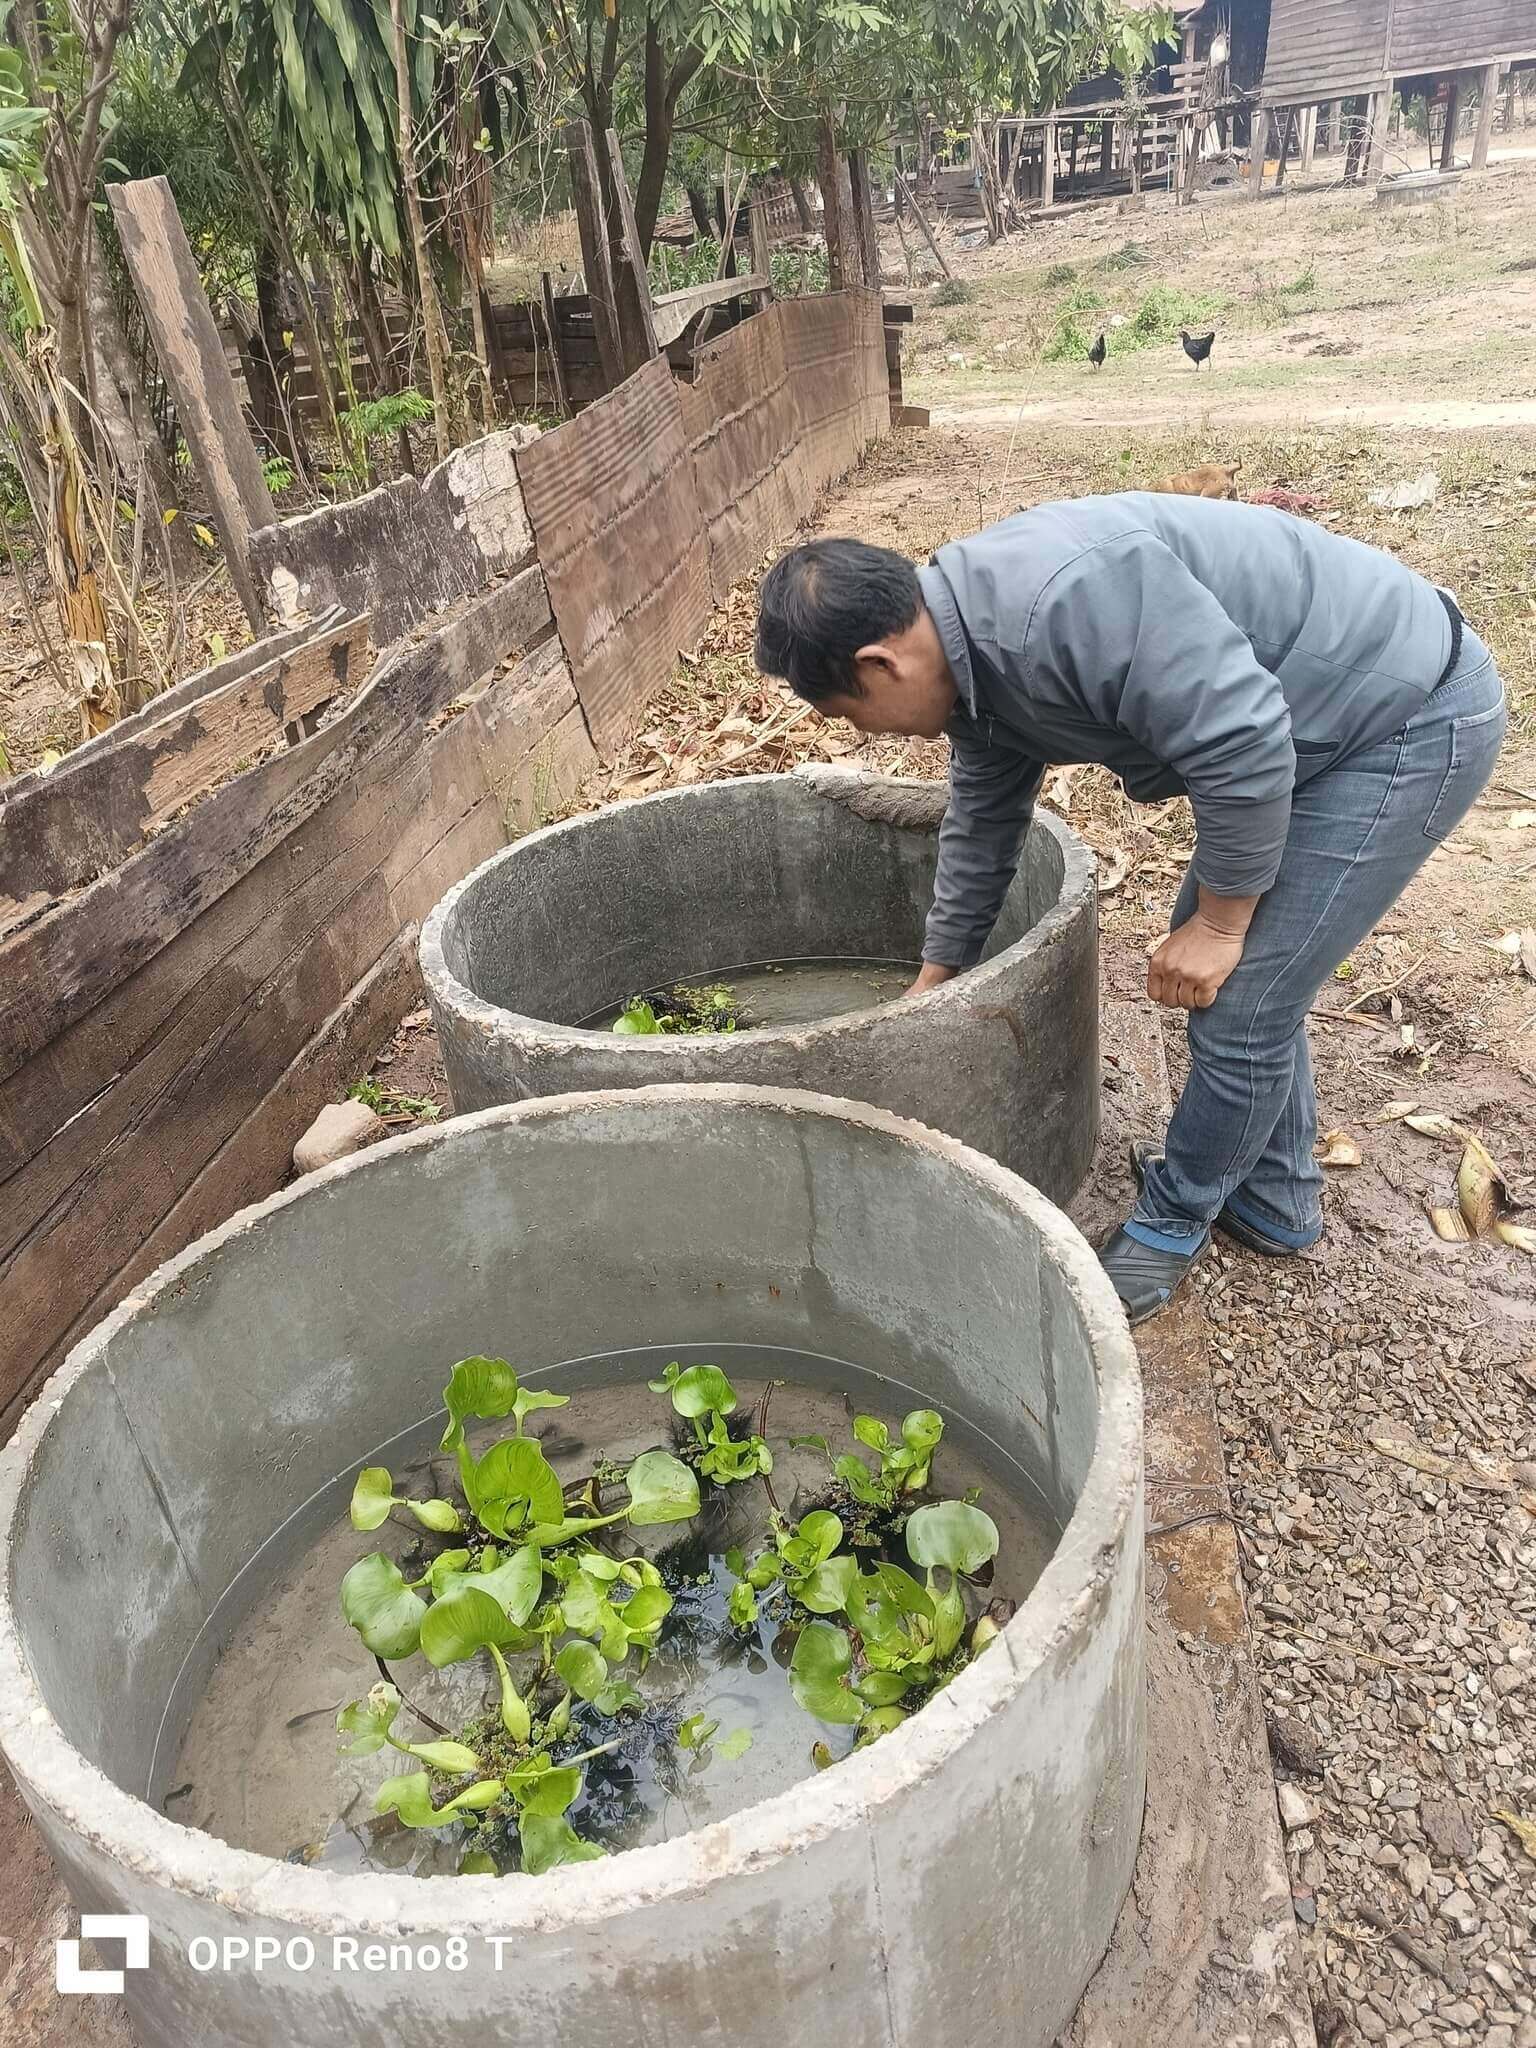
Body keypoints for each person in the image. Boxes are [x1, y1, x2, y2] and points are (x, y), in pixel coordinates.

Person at [754, 496, 1506, 1324]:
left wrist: (1221, 926)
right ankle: (1275, 1198)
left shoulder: (1057, 606)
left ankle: (1174, 1221)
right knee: (1251, 978)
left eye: (847, 714)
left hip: (1404, 718)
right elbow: (983, 820)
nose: (869, 735)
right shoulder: (963, 645)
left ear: (879, 664)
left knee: (1243, 991)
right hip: (1316, 722)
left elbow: (1244, 741)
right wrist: (939, 972)